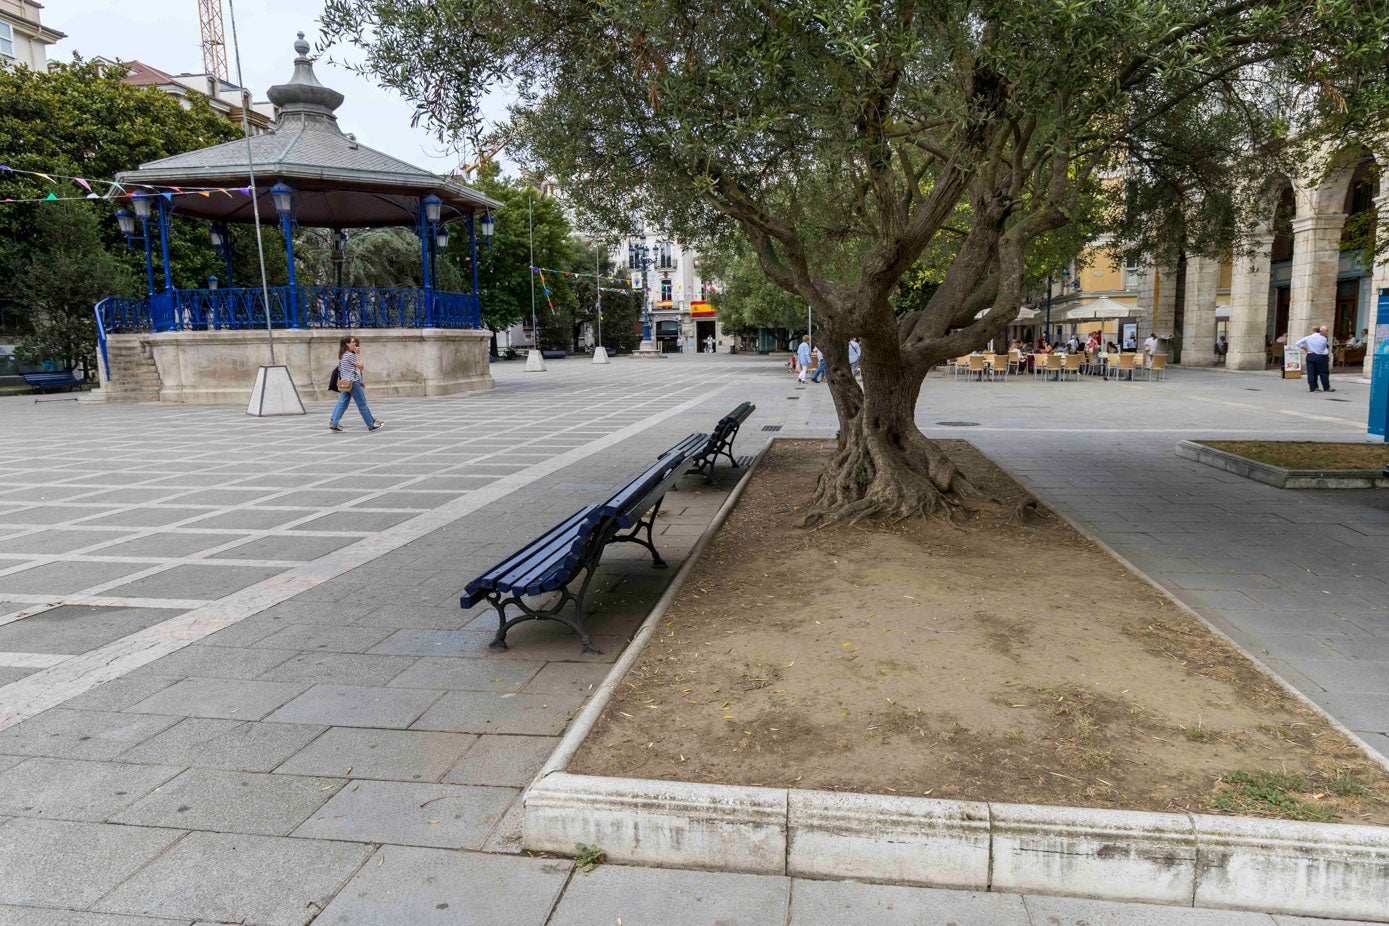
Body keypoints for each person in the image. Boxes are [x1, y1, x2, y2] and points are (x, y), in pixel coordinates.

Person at [330, 335, 384, 432]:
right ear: (347, 344)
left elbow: (348, 370)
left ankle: (334, 425)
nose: (355, 344)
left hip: (346, 384)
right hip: (353, 383)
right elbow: (361, 366)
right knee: (362, 404)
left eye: (355, 342)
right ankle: (371, 425)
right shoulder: (350, 355)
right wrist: (358, 354)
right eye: (352, 342)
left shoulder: (343, 355)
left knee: (342, 404)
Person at [1294, 325, 1334, 393]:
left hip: (1310, 355)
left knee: (1310, 373)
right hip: (1319, 356)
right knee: (1323, 372)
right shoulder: (1323, 338)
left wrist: (1305, 348)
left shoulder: (1308, 337)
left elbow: (1297, 343)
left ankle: (1312, 388)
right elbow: (1324, 347)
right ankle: (1326, 387)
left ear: (1312, 331)